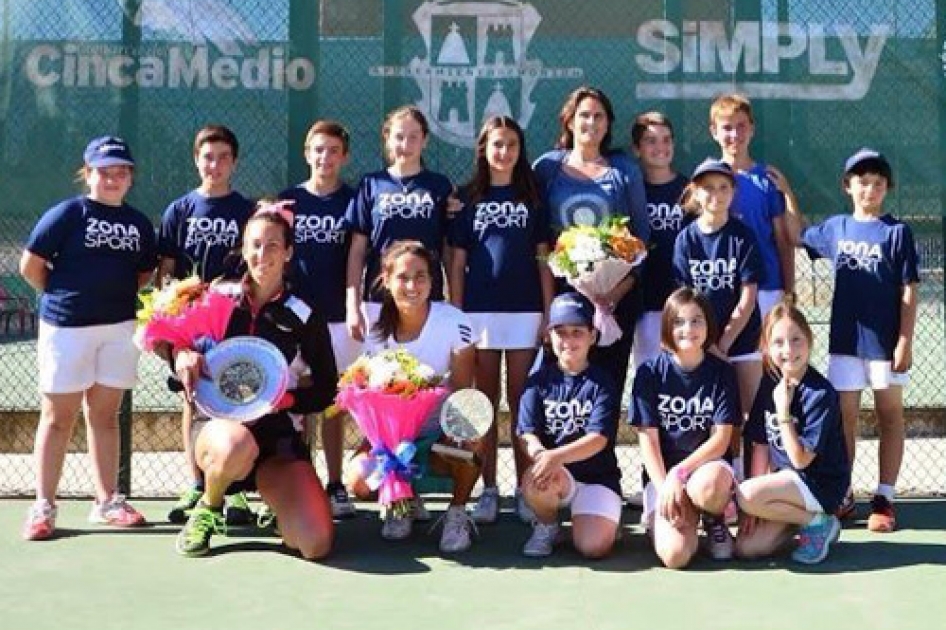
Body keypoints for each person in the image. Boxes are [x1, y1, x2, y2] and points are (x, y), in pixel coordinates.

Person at [171, 202, 337, 558]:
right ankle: (210, 507)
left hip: (274, 441)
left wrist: (287, 401)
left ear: (289, 252)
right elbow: (177, 347)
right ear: (244, 249)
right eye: (256, 245)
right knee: (234, 444)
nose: (264, 254)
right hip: (221, 433)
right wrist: (182, 356)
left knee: (315, 544)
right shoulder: (216, 298)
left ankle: (276, 508)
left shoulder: (304, 315)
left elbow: (326, 388)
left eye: (274, 245)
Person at [19, 136, 157, 540]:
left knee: (105, 417)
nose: (113, 178)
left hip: (117, 329)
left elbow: (143, 273)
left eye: (121, 171)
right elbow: (31, 266)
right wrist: (65, 297)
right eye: (105, 171)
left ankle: (107, 501)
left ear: (130, 177)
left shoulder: (138, 223)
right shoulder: (67, 214)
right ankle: (44, 505)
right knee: (58, 418)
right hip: (66, 329)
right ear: (88, 173)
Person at [781, 148, 919, 532]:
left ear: (886, 188)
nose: (869, 189)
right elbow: (794, 235)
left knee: (890, 415)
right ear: (847, 186)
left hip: (885, 346)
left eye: (877, 182)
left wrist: (904, 341)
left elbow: (909, 290)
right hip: (844, 344)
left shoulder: (897, 232)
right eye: (861, 181)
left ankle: (885, 497)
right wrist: (789, 194)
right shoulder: (836, 228)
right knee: (845, 421)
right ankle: (843, 493)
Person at [448, 116, 554, 525]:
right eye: (497, 144)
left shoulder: (533, 195)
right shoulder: (467, 197)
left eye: (511, 144)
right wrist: (459, 316)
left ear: (519, 150)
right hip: (480, 313)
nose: (504, 152)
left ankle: (525, 489)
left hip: (525, 311)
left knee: (523, 404)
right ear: (484, 149)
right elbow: (457, 262)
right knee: (486, 403)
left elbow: (544, 257)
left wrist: (548, 311)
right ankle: (488, 488)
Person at [345, 241, 482, 553]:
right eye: (403, 277)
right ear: (386, 280)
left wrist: (457, 434)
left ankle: (457, 513)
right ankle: (402, 500)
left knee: (474, 434)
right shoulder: (376, 333)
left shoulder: (454, 322)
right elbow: (372, 401)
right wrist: (384, 442)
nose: (412, 285)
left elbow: (462, 393)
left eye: (421, 277)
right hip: (390, 438)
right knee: (359, 481)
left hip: (439, 430)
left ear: (432, 281)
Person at [157, 124, 256, 526]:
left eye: (223, 157)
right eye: (207, 157)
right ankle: (197, 482)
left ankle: (236, 493)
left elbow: (255, 267)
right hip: (192, 327)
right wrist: (174, 319)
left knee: (241, 397)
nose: (214, 164)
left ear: (234, 162)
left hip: (235, 320)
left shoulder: (246, 211)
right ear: (197, 160)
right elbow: (166, 273)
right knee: (192, 397)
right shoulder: (179, 210)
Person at [533, 86, 649, 395]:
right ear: (569, 121)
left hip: (615, 299)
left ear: (608, 124)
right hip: (563, 296)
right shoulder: (546, 169)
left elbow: (641, 239)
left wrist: (614, 293)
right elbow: (535, 232)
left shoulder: (624, 170)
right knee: (562, 384)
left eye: (599, 116)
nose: (592, 122)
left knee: (607, 383)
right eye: (584, 115)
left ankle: (604, 444)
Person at [279, 120, 358, 519]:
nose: (325, 158)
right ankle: (300, 479)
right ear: (307, 153)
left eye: (333, 151)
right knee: (296, 403)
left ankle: (336, 483)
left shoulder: (355, 199)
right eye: (318, 150)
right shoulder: (287, 203)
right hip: (293, 319)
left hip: (339, 319)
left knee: (331, 402)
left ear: (344, 157)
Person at [631, 288, 740, 567]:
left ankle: (714, 517)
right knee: (676, 556)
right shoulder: (649, 373)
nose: (688, 329)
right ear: (667, 326)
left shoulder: (722, 372)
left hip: (704, 470)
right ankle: (680, 520)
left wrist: (679, 474)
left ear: (708, 325)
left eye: (696, 320)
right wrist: (665, 484)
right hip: (664, 477)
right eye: (679, 321)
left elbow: (721, 440)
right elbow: (648, 442)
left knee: (710, 486)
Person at [736, 302, 849, 564]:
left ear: (809, 341)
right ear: (766, 347)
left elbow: (801, 461)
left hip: (819, 486)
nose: (788, 350)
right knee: (746, 548)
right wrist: (755, 509)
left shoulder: (820, 394)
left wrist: (783, 409)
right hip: (788, 486)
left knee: (745, 494)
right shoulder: (770, 382)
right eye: (778, 342)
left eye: (796, 339)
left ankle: (818, 522)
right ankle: (804, 523)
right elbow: (761, 445)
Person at [673, 158, 763, 482]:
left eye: (723, 187)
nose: (716, 194)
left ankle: (752, 487)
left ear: (733, 192)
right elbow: (684, 300)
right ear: (696, 193)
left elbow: (748, 297)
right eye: (708, 188)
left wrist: (722, 343)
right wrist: (706, 344)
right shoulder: (686, 239)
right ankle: (723, 484)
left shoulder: (742, 236)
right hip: (700, 344)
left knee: (752, 416)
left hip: (740, 340)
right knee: (715, 419)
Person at [517, 293, 622, 559]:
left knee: (593, 547)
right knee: (533, 478)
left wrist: (555, 456)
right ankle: (548, 525)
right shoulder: (537, 381)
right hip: (557, 476)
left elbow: (598, 439)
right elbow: (526, 433)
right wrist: (542, 455)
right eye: (560, 332)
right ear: (548, 337)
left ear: (592, 336)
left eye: (577, 332)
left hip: (598, 479)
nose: (568, 341)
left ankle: (597, 520)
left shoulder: (603, 383)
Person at [345, 105, 454, 343]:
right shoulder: (371, 184)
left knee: (426, 371)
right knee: (381, 372)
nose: (405, 145)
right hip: (380, 296)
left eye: (414, 137)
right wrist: (352, 306)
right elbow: (357, 250)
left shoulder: (439, 185)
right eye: (399, 137)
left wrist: (455, 302)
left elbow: (448, 249)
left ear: (425, 140)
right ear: (387, 138)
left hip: (426, 295)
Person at [709, 94, 795, 316]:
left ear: (752, 129)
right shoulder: (706, 178)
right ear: (714, 132)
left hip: (767, 288)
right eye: (727, 128)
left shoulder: (768, 179)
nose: (735, 134)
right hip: (722, 287)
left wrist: (789, 289)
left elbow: (782, 240)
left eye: (741, 126)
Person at [629, 111, 690, 370]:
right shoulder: (631, 190)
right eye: (651, 141)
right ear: (637, 149)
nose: (660, 147)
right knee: (650, 371)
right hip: (646, 301)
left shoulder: (690, 191)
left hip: (683, 300)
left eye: (666, 140)